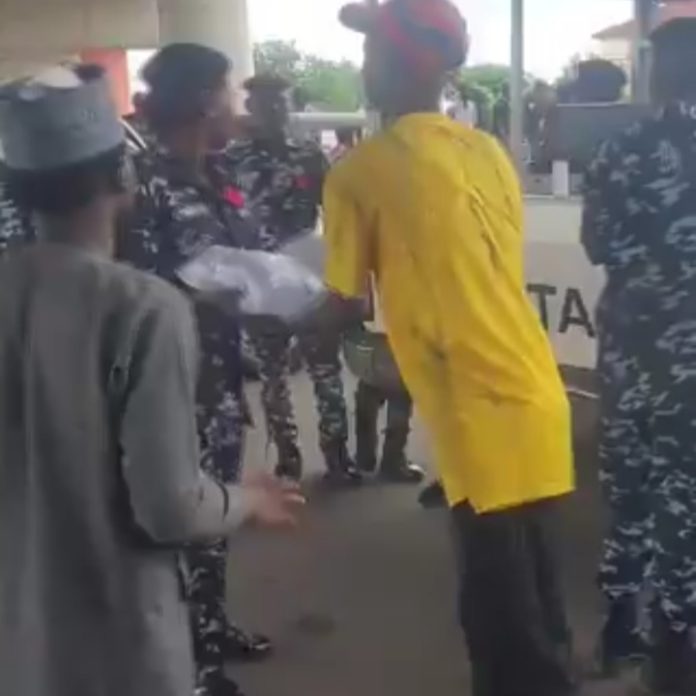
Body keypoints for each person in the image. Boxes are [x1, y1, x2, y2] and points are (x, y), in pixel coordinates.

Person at [0, 64, 301, 696]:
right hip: (115, 646)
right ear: (122, 175)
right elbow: (167, 507)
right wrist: (247, 500)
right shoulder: (144, 309)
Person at [323, 2, 576, 695]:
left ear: (412, 63)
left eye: (373, 51)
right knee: (537, 611)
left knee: (506, 631)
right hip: (534, 393)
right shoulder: (489, 151)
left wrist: (252, 310)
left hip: (479, 411)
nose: (363, 65)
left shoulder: (359, 172)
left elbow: (341, 303)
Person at [117, 44, 268, 696]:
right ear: (206, 99)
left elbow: (248, 250)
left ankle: (208, 629)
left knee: (218, 515)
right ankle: (191, 670)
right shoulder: (140, 179)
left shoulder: (220, 172)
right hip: (168, 384)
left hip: (221, 374)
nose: (239, 104)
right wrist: (207, 293)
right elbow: (131, 290)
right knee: (175, 516)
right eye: (231, 91)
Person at [582, 19, 696, 694]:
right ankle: (677, 650)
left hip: (630, 347)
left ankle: (621, 624)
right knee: (685, 499)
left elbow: (598, 243)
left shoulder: (622, 146)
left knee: (628, 490)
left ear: (655, 73)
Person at [226, 74, 360, 485]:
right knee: (272, 377)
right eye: (266, 104)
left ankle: (338, 458)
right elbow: (227, 220)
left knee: (325, 371)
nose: (276, 111)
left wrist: (340, 276)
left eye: (282, 103)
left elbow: (336, 218)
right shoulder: (232, 160)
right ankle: (287, 459)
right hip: (261, 283)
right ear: (252, 107)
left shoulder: (309, 156)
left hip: (306, 280)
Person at [352, 284, 424, 483]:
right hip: (399, 327)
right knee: (400, 396)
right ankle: (393, 461)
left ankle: (364, 456)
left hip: (367, 325)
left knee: (368, 387)